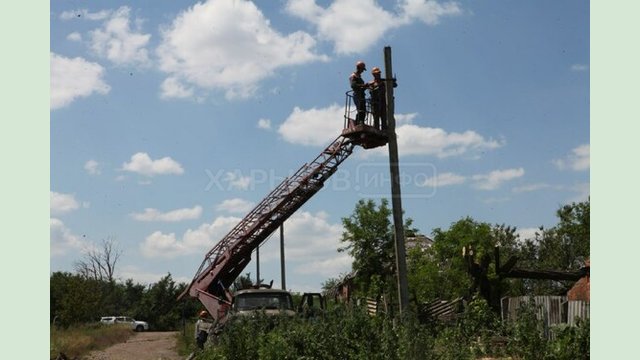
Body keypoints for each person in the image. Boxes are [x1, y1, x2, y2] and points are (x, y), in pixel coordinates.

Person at [349, 61, 369, 125]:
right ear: (358, 68)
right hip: (357, 95)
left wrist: (366, 87)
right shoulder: (353, 76)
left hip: (361, 95)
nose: (363, 71)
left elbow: (361, 88)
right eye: (362, 69)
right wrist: (363, 85)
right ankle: (359, 123)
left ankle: (360, 122)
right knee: (360, 109)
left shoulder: (359, 77)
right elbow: (353, 86)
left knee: (363, 110)